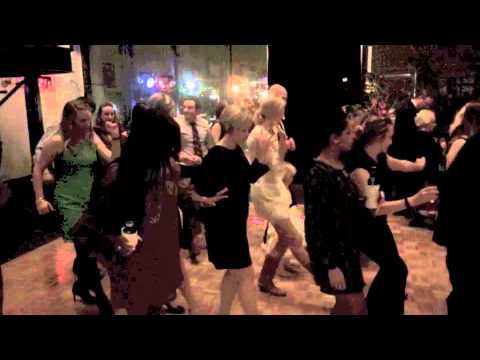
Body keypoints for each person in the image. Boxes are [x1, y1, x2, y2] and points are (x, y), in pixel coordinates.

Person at [32, 98, 121, 315]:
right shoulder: (57, 141)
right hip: (67, 203)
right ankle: (102, 302)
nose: (87, 125)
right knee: (91, 246)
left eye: (89, 120)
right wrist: (40, 199)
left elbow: (112, 159)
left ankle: (81, 285)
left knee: (87, 249)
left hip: (90, 200)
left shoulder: (91, 137)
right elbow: (37, 169)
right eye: (82, 121)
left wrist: (116, 138)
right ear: (70, 121)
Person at [346, 115, 438, 314]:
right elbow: (375, 208)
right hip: (362, 227)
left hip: (377, 224)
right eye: (390, 136)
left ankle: (374, 308)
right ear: (379, 137)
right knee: (396, 269)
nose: (392, 140)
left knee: (395, 269)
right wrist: (412, 201)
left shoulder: (378, 156)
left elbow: (402, 165)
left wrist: (418, 165)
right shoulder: (361, 167)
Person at [195, 105, 265, 314]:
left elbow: (249, 176)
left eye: (247, 129)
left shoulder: (235, 150)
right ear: (230, 127)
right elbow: (195, 188)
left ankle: (222, 312)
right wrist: (205, 199)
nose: (246, 134)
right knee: (244, 274)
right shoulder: (216, 154)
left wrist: (266, 157)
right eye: (243, 129)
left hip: (235, 223)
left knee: (235, 273)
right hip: (223, 226)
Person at [304, 106, 370, 314]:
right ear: (334, 139)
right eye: (348, 133)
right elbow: (315, 225)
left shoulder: (340, 165)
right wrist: (331, 266)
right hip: (334, 255)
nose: (353, 137)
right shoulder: (318, 175)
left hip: (346, 249)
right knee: (356, 309)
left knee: (347, 308)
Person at [247, 96, 310, 297]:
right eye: (281, 109)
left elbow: (277, 162)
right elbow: (254, 169)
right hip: (265, 191)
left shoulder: (275, 129)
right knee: (293, 237)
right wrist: (267, 150)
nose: (284, 113)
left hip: (276, 187)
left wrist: (283, 147)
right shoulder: (257, 134)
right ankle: (326, 281)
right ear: (273, 112)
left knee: (284, 239)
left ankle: (265, 281)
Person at [434, 101, 480, 314]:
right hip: (467, 225)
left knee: (463, 282)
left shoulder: (469, 144)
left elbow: (449, 178)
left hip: (464, 226)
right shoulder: (468, 143)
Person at [176, 97, 215, 264]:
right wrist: (183, 156)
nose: (186, 110)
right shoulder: (177, 123)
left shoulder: (205, 124)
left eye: (190, 107)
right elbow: (173, 149)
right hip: (185, 168)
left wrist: (204, 159)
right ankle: (191, 245)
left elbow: (211, 146)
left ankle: (205, 239)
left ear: (197, 110)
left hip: (203, 168)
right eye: (184, 107)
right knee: (189, 205)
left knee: (205, 203)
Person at [388, 90, 434, 203]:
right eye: (427, 104)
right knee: (404, 181)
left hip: (403, 148)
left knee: (404, 181)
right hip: (403, 150)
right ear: (422, 97)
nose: (427, 106)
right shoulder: (407, 110)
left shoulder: (408, 108)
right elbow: (407, 134)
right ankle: (404, 206)